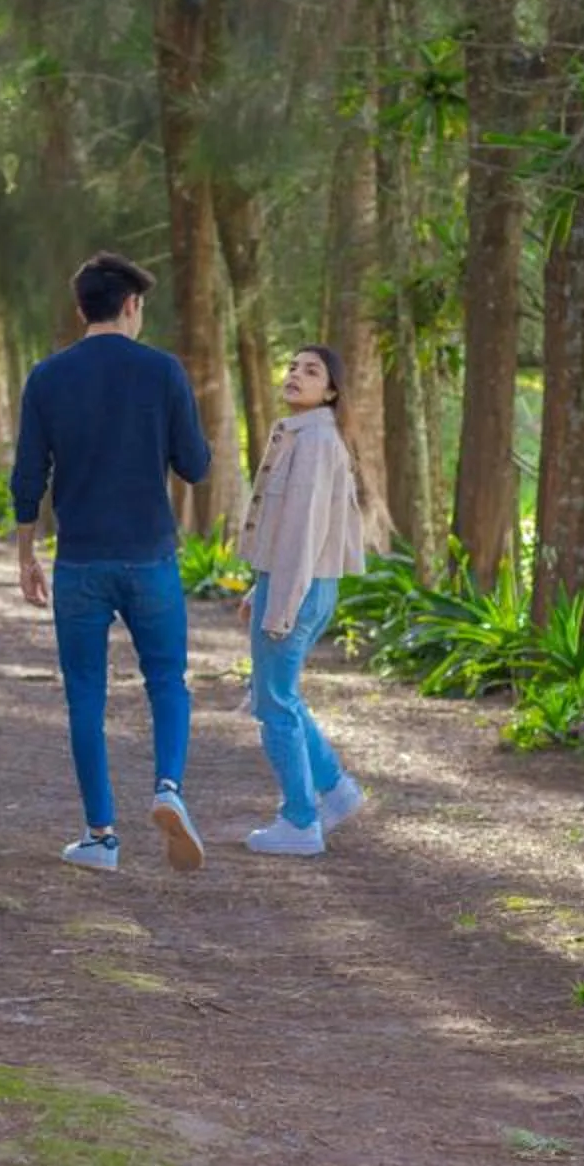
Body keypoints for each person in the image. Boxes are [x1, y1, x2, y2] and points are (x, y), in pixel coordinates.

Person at [11, 251, 214, 873]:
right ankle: (168, 789)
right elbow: (196, 466)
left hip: (79, 562)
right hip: (149, 555)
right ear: (131, 306)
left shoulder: (47, 377)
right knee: (166, 681)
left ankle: (101, 837)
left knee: (84, 697)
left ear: (81, 309)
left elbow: (27, 477)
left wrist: (26, 554)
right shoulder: (162, 371)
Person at [233, 345, 369, 856]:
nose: (295, 375)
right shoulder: (305, 433)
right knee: (280, 694)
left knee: (274, 704)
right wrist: (262, 585)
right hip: (298, 580)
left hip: (300, 584)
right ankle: (335, 790)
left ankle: (300, 820)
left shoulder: (314, 441)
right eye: (292, 367)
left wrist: (281, 600)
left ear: (331, 391)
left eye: (311, 371)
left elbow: (304, 528)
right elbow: (296, 532)